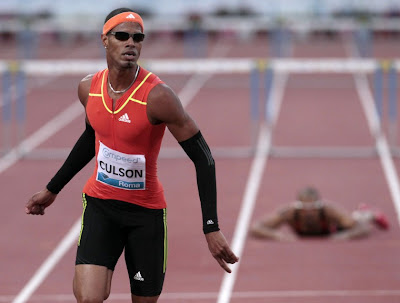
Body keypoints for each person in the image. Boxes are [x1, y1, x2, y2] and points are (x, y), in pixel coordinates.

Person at [25, 8, 239, 303]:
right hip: (101, 207)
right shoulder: (89, 88)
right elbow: (91, 137)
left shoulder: (158, 97)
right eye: (122, 36)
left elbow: (204, 158)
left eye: (138, 38)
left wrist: (211, 228)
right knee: (89, 298)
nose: (131, 43)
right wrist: (52, 189)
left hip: (145, 215)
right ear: (105, 39)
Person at [250, 186, 389, 241]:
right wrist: (277, 235)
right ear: (298, 207)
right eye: (305, 208)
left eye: (313, 208)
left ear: (319, 206)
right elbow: (256, 227)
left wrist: (345, 236)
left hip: (333, 229)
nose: (309, 212)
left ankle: (368, 214)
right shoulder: (290, 213)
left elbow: (362, 228)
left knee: (352, 221)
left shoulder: (329, 211)